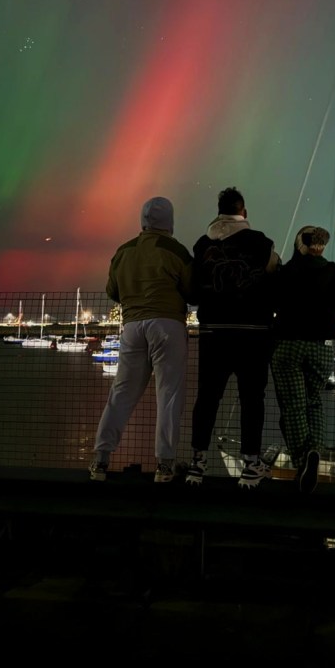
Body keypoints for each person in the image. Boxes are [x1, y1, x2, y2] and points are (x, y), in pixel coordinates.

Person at [89, 196, 194, 484]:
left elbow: (112, 290)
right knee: (168, 395)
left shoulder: (124, 251)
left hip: (132, 326)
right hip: (167, 326)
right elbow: (192, 290)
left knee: (121, 394)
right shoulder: (176, 250)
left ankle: (100, 460)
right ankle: (164, 465)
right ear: (169, 221)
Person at [185, 186, 280, 489]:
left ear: (218, 212)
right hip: (254, 334)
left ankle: (197, 463)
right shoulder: (261, 243)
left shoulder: (202, 246)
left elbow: (193, 291)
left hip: (213, 333)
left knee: (207, 397)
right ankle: (251, 465)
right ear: (244, 212)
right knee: (252, 399)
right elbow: (274, 279)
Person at [270, 226, 335, 494]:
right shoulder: (333, 272)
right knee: (314, 402)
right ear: (321, 246)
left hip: (289, 346)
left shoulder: (286, 272)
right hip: (321, 348)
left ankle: (303, 460)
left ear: (299, 245)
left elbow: (274, 302)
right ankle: (314, 451)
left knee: (293, 407)